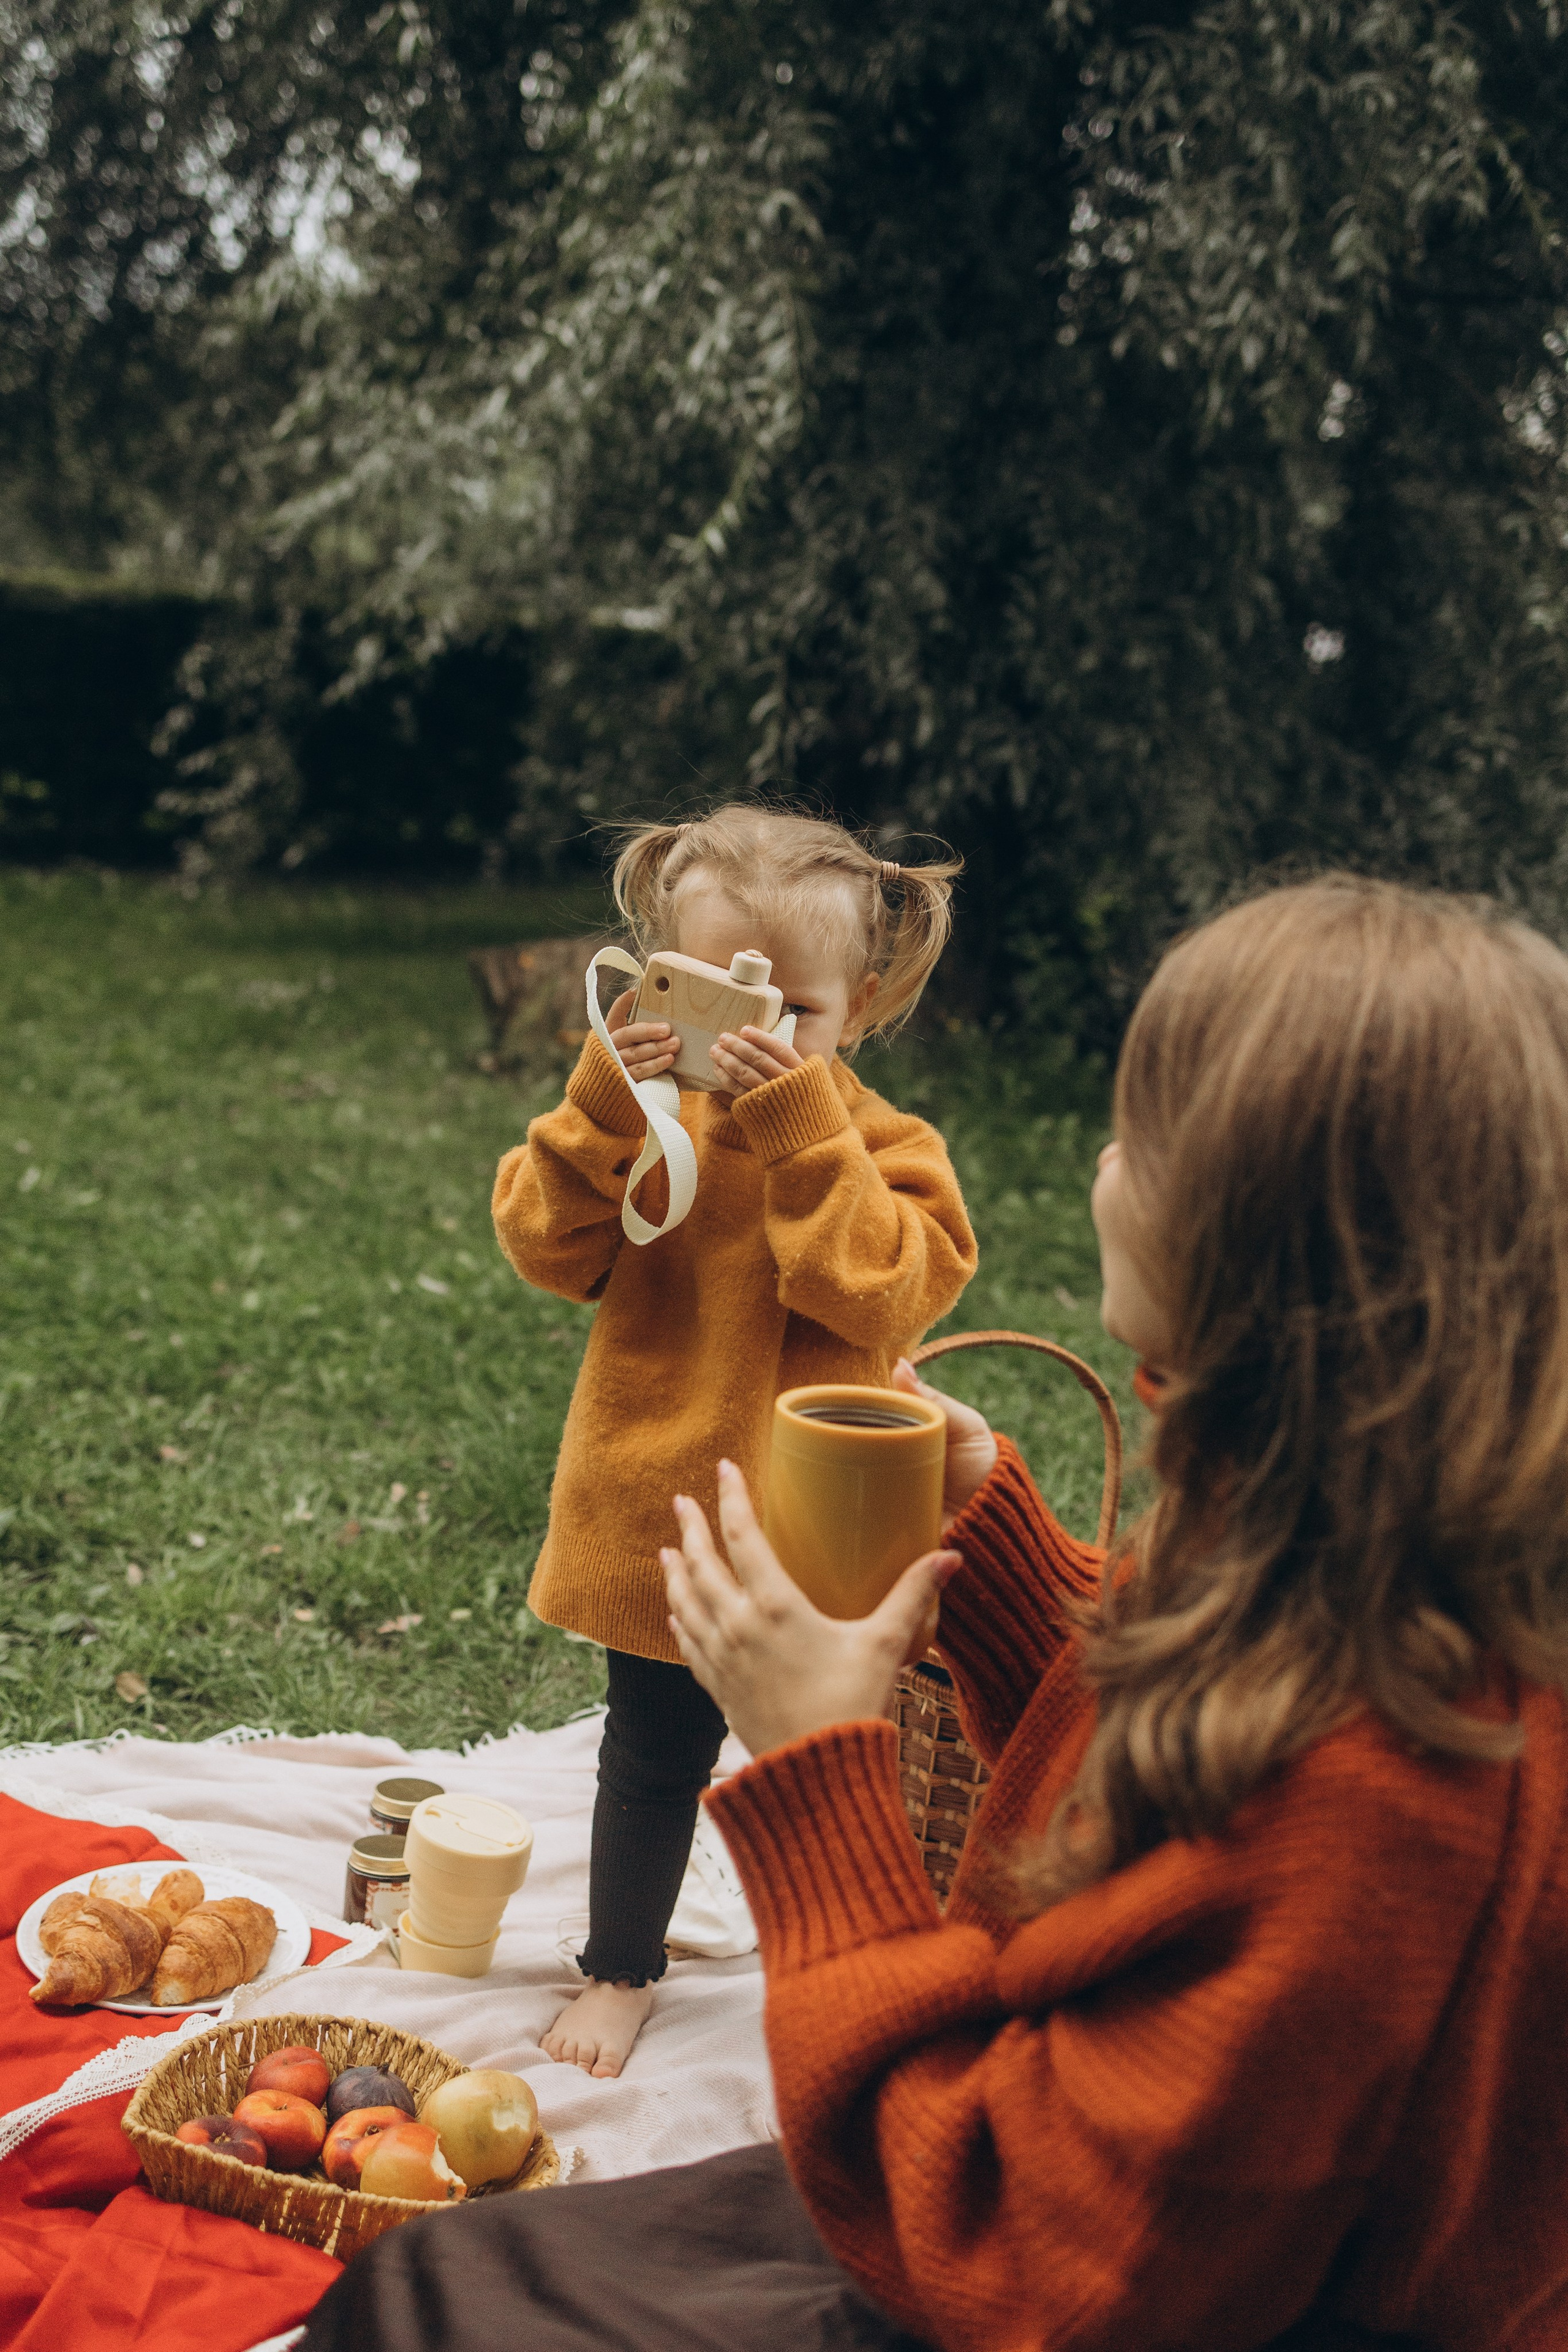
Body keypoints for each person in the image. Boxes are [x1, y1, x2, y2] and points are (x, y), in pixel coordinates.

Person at [304, 878, 1568, 2352]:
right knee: (469, 2262)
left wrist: (819, 1773)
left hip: (1029, 2262)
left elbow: (1029, 2278)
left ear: (1259, 1247)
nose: (1102, 1159)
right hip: (1077, 2197)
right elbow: (1193, 1739)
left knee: (430, 2300)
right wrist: (1010, 1560)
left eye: (1145, 1137)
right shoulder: (1361, 1543)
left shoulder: (1386, 1804)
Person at [491, 804, 978, 2076]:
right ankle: (620, 1966)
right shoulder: (648, 1130)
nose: (757, 1045)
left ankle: (861, 1958)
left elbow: (876, 1291)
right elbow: (546, 1250)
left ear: (860, 1006)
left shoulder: (881, 1147)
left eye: (796, 1016)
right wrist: (604, 1099)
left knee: (837, 1764)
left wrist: (805, 1135)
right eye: (715, 1002)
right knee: (650, 1760)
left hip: (820, 1533)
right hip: (663, 1519)